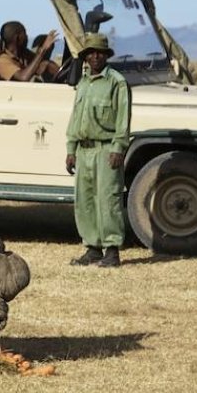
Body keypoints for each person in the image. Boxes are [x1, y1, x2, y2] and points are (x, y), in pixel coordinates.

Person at [66, 33, 131, 268]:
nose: (95, 56)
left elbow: (123, 119)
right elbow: (75, 118)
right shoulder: (83, 83)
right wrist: (71, 148)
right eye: (90, 52)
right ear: (84, 57)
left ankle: (112, 250)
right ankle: (92, 247)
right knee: (85, 201)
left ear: (106, 55)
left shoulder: (117, 82)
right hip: (84, 150)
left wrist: (118, 148)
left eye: (99, 52)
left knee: (108, 200)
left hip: (106, 149)